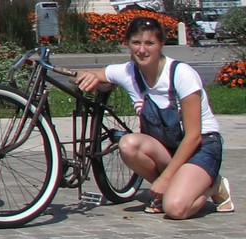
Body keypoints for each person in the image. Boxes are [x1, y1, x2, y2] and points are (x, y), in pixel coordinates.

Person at [74, 17, 234, 219]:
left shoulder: (181, 74)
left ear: (161, 45)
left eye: (149, 43)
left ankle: (212, 186)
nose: (142, 50)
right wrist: (88, 76)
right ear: (128, 44)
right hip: (168, 147)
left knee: (175, 209)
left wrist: (166, 178)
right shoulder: (128, 71)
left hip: (201, 146)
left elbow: (194, 136)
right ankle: (175, 188)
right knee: (128, 144)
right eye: (136, 43)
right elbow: (86, 74)